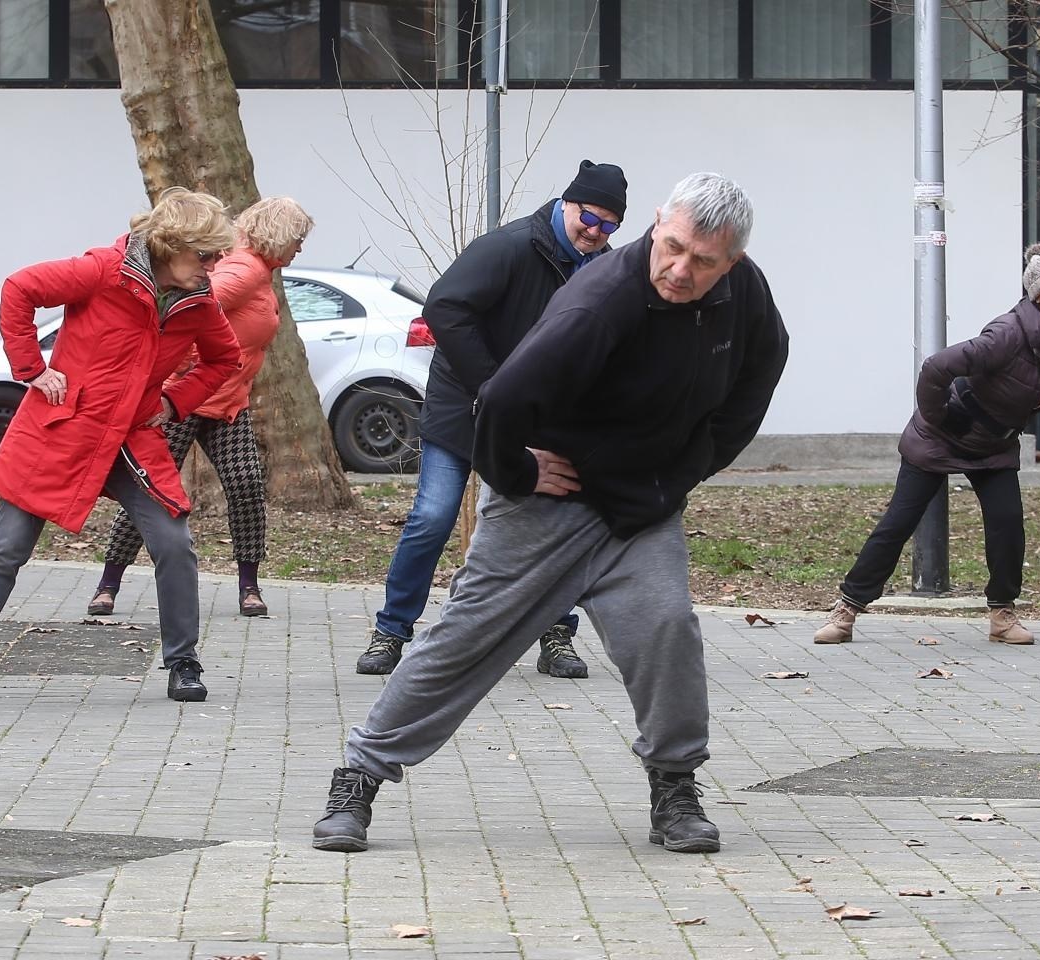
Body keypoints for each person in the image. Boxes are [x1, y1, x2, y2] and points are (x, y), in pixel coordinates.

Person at [313, 172, 788, 855]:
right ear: (658, 224)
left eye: (703, 261)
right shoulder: (599, 301)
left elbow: (762, 368)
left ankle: (675, 786)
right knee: (465, 639)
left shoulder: (745, 295)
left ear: (731, 262)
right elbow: (502, 399)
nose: (680, 270)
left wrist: (694, 465)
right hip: (548, 503)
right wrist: (518, 470)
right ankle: (359, 777)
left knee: (667, 627)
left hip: (642, 509)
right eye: (674, 246)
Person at [0, 187, 240, 704]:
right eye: (204, 255)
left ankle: (183, 662)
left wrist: (173, 403)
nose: (213, 266)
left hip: (131, 438)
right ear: (170, 245)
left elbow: (223, 361)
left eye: (218, 256)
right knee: (7, 548)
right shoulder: (103, 270)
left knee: (174, 544)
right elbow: (20, 289)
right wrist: (32, 369)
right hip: (62, 429)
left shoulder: (199, 304)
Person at [354, 159, 630, 680]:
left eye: (608, 226)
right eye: (589, 219)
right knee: (433, 516)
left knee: (552, 525)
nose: (595, 233)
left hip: (541, 418)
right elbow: (444, 308)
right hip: (465, 405)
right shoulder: (508, 247)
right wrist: (491, 385)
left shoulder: (604, 269)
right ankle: (391, 631)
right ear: (567, 204)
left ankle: (555, 634)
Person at [813, 244, 1040, 647]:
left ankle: (1002, 614)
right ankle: (847, 608)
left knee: (1007, 524)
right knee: (898, 523)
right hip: (940, 436)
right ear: (1037, 293)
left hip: (993, 444)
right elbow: (936, 367)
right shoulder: (1007, 334)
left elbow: (1034, 391)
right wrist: (940, 416)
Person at [89, 196, 315, 620]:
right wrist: (186, 359)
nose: (300, 248)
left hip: (227, 403)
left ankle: (249, 586)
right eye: (298, 239)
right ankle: (108, 584)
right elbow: (188, 304)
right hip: (181, 401)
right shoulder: (244, 270)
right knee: (150, 489)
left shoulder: (259, 271)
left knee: (246, 484)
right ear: (279, 234)